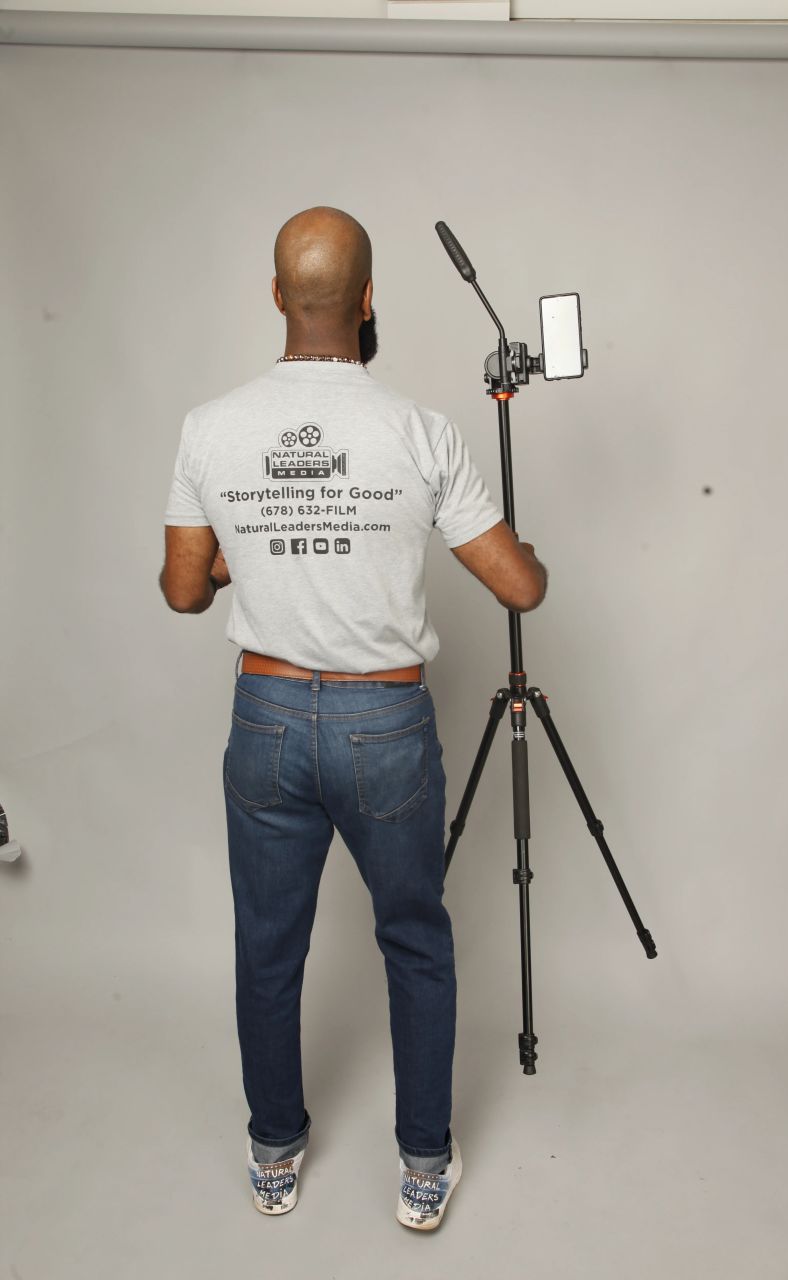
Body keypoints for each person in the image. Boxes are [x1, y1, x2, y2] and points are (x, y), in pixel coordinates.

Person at [159, 206, 547, 1230]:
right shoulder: (419, 429)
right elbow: (521, 587)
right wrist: (525, 548)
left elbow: (184, 591)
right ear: (369, 300)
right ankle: (424, 1164)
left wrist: (259, 545)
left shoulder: (210, 426)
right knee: (414, 938)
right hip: (384, 727)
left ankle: (273, 1151)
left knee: (267, 944)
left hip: (268, 715)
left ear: (277, 296)